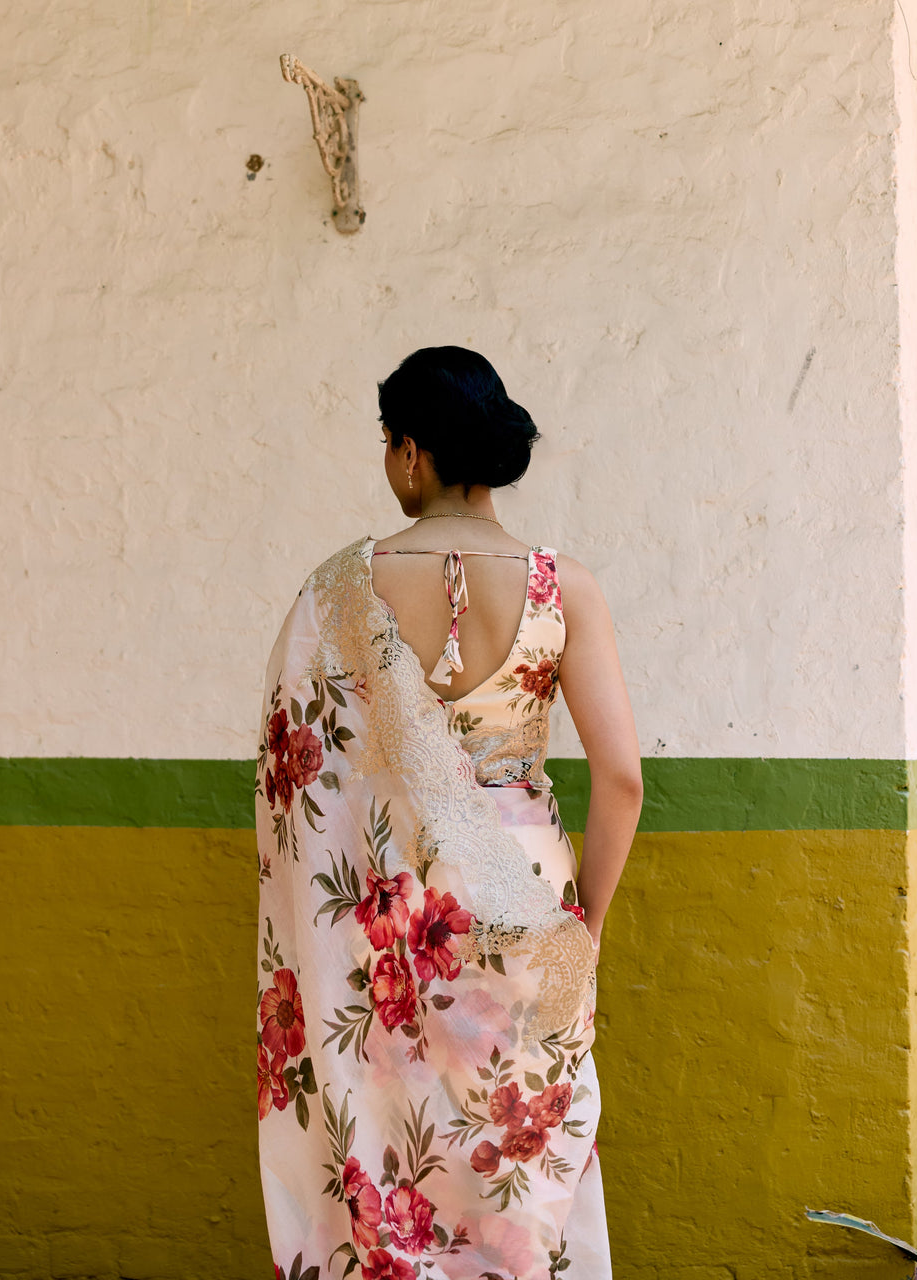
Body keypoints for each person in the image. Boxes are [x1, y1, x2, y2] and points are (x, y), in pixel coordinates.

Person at [256, 346, 642, 1280]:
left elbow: (298, 774)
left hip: (392, 925)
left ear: (412, 451)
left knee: (393, 1146)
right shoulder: (563, 587)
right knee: (521, 1152)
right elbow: (622, 778)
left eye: (389, 442)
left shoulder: (338, 589)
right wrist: (586, 921)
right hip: (532, 909)